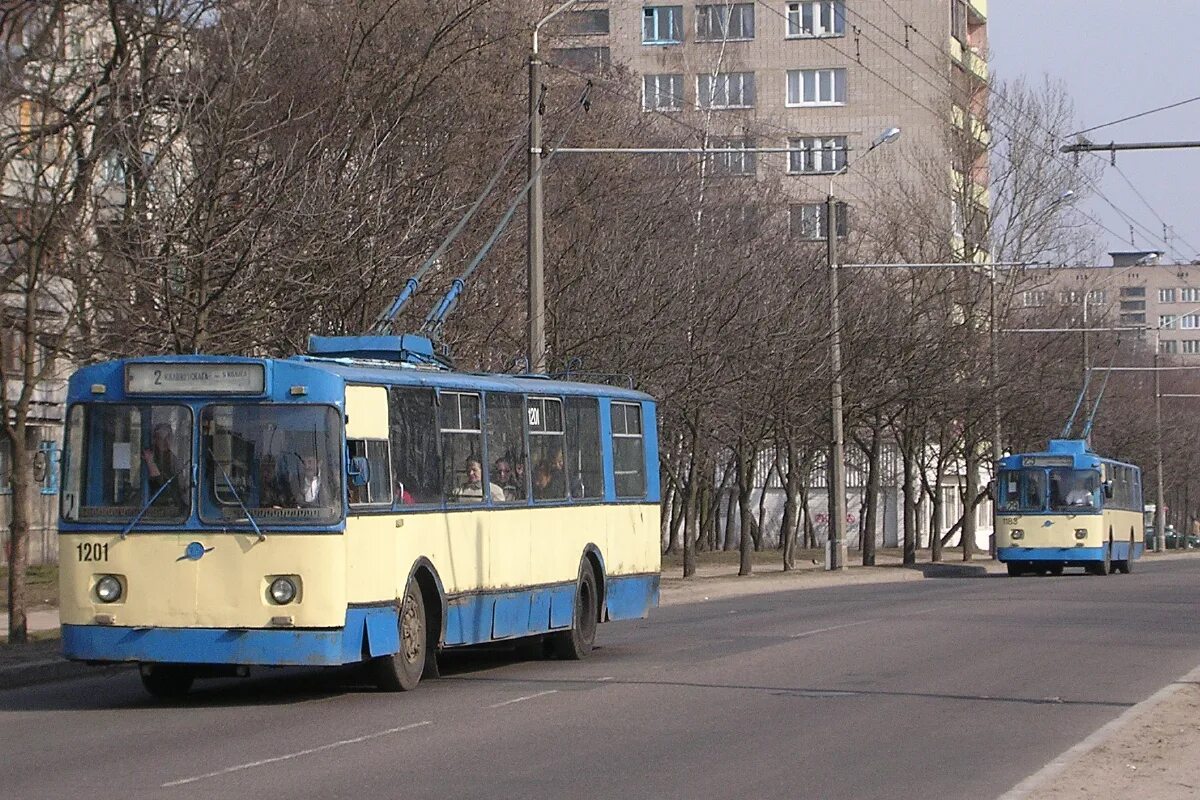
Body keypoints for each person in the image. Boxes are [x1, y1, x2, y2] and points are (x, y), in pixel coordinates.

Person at [142, 423, 184, 509]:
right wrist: (150, 462)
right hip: (152, 504)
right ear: (155, 440)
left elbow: (166, 486)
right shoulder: (149, 456)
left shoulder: (174, 460)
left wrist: (151, 463)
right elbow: (153, 483)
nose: (165, 441)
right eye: (161, 438)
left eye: (167, 437)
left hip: (171, 504)